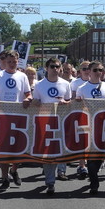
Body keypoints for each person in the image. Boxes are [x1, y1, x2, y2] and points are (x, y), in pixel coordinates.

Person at [0, 50, 32, 190]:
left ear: (18, 61)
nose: (12, 64)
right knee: (4, 149)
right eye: (9, 62)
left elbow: (28, 94)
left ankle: (14, 170)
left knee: (17, 148)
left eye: (14, 62)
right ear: (5, 62)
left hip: (18, 116)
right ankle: (4, 177)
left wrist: (27, 99)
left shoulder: (22, 76)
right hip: (2, 117)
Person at [28, 58, 72, 195]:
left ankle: (62, 170)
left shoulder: (66, 84)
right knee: (48, 153)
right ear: (47, 68)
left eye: (57, 67)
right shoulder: (40, 85)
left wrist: (66, 102)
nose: (55, 69)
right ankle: (50, 182)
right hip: (45, 124)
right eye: (52, 66)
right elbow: (36, 102)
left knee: (61, 150)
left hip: (61, 123)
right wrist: (35, 103)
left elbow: (70, 101)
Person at [75, 61, 105, 194]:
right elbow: (76, 107)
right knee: (92, 155)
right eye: (95, 70)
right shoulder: (82, 88)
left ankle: (94, 175)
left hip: (103, 126)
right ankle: (94, 182)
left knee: (99, 155)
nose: (98, 73)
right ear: (89, 71)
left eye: (100, 70)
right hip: (88, 126)